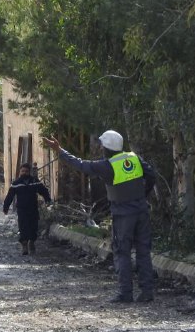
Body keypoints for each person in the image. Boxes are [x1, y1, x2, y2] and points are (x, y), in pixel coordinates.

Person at [43, 130, 156, 303]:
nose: (101, 148)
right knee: (143, 251)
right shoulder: (134, 158)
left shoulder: (106, 165)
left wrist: (60, 151)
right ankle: (147, 292)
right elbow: (151, 176)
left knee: (122, 252)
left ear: (108, 148)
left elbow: (81, 164)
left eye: (103, 145)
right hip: (141, 210)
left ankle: (126, 293)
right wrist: (142, 195)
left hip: (123, 214)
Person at [3, 163, 52, 255]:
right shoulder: (16, 183)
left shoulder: (34, 181)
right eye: (22, 171)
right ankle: (24, 245)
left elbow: (43, 191)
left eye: (26, 171)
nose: (24, 173)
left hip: (33, 208)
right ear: (20, 172)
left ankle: (32, 242)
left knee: (34, 227)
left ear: (29, 172)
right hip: (22, 209)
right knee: (23, 227)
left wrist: (48, 199)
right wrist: (5, 207)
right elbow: (10, 196)